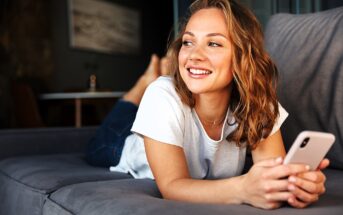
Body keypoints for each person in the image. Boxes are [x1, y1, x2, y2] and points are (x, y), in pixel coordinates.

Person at [86, 0, 328, 210]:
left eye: (213, 44)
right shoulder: (161, 95)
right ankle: (140, 86)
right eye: (188, 42)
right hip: (125, 146)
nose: (193, 55)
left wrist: (295, 186)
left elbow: (270, 170)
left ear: (243, 58)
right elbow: (172, 186)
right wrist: (243, 189)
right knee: (102, 141)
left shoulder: (259, 103)